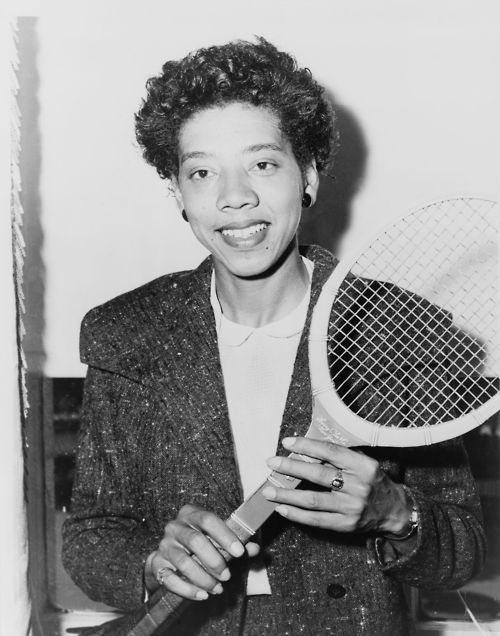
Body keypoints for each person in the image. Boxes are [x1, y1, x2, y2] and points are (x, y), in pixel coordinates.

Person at [62, 38, 486, 635]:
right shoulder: (127, 333)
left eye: (262, 164)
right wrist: (154, 561)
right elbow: (90, 537)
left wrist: (394, 512)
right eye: (202, 172)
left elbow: (463, 551)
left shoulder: (395, 328)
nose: (234, 196)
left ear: (307, 176)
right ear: (178, 193)